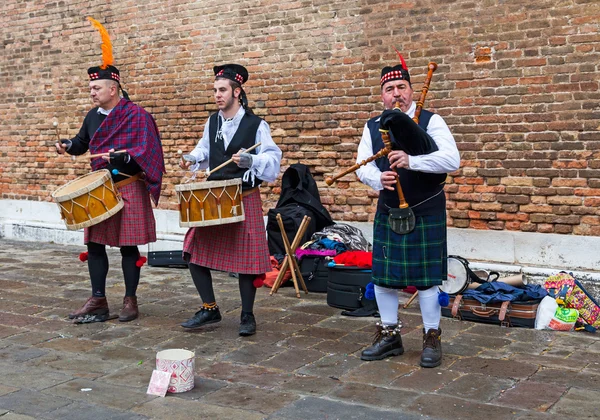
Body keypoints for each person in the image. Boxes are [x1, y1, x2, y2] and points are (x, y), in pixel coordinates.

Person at [54, 18, 165, 323]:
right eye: (90, 87)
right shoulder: (93, 116)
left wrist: (126, 158)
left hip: (128, 185)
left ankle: (130, 300)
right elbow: (82, 144)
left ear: (113, 88)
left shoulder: (136, 115)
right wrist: (67, 145)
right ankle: (98, 299)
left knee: (129, 245)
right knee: (94, 244)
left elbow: (148, 151)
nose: (91, 92)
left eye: (96, 87)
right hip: (100, 187)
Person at [355, 53, 460, 367]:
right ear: (382, 95)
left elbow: (452, 161)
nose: (396, 93)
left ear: (411, 90)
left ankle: (431, 337)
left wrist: (413, 161)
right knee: (385, 279)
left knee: (426, 279)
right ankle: (390, 335)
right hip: (390, 208)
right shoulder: (372, 126)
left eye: (401, 87)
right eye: (390, 89)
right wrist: (378, 177)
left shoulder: (431, 121)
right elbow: (363, 167)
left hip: (426, 208)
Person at [179, 64, 282, 336]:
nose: (217, 95)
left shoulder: (256, 125)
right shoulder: (212, 121)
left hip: (244, 196)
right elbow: (204, 149)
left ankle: (247, 315)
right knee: (193, 251)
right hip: (214, 196)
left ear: (237, 92)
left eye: (222, 90)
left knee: (247, 260)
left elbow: (273, 161)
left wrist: (253, 160)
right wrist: (192, 158)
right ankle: (209, 308)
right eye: (215, 90)